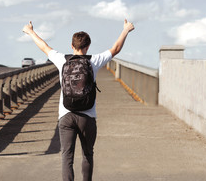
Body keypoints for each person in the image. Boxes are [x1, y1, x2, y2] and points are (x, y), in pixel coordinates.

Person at [22, 19, 135, 181]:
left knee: (66, 156)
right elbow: (116, 49)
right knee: (88, 154)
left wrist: (30, 31)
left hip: (66, 115)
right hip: (87, 116)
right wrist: (126, 30)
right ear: (88, 46)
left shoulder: (62, 60)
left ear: (71, 46)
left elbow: (44, 47)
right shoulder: (93, 61)